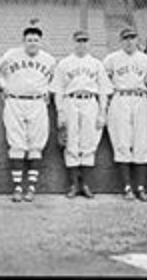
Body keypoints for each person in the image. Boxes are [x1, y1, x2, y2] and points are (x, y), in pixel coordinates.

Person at [0, 19, 56, 202]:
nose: (32, 43)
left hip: (38, 103)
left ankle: (31, 187)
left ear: (40, 42)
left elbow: (55, 80)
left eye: (36, 40)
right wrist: (4, 86)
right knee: (16, 143)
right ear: (23, 41)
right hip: (14, 101)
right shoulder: (11, 55)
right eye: (29, 40)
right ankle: (17, 187)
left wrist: (48, 91)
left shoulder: (49, 59)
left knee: (36, 145)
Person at [103, 27, 147, 202]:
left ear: (137, 40)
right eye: (126, 38)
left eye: (132, 37)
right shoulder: (111, 59)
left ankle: (140, 187)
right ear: (120, 41)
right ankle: (127, 187)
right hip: (120, 98)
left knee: (142, 142)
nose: (129, 41)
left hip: (140, 99)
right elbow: (104, 80)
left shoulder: (144, 59)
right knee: (121, 142)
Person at [51, 30, 112, 199]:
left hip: (90, 101)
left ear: (89, 43)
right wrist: (60, 112)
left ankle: (85, 184)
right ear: (73, 42)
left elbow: (104, 91)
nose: (82, 43)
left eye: (85, 40)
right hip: (70, 101)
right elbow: (58, 91)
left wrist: (102, 113)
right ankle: (73, 184)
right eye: (79, 40)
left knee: (89, 143)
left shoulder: (96, 64)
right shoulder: (64, 63)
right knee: (71, 142)